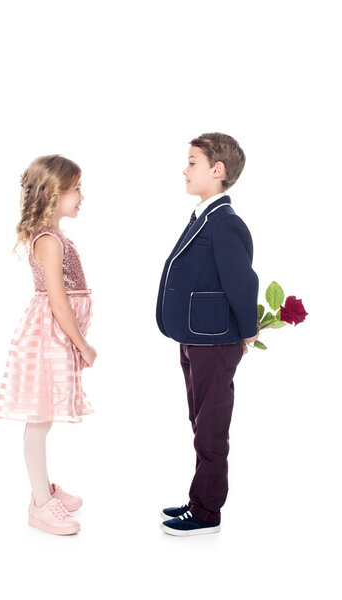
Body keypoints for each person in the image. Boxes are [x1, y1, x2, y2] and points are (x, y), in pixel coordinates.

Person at [156, 132, 259, 536]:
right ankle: (199, 498)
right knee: (200, 423)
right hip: (197, 337)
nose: (185, 169)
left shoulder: (226, 223)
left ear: (217, 171)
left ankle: (206, 513)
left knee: (211, 426)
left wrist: (247, 332)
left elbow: (242, 282)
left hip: (214, 341)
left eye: (193, 162)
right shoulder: (204, 217)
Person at [0, 154, 97, 536]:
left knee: (44, 416)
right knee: (39, 419)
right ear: (53, 194)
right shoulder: (50, 242)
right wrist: (82, 345)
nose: (82, 196)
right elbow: (58, 300)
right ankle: (39, 502)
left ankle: (44, 488)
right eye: (76, 190)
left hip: (56, 334)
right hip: (50, 334)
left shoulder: (55, 236)